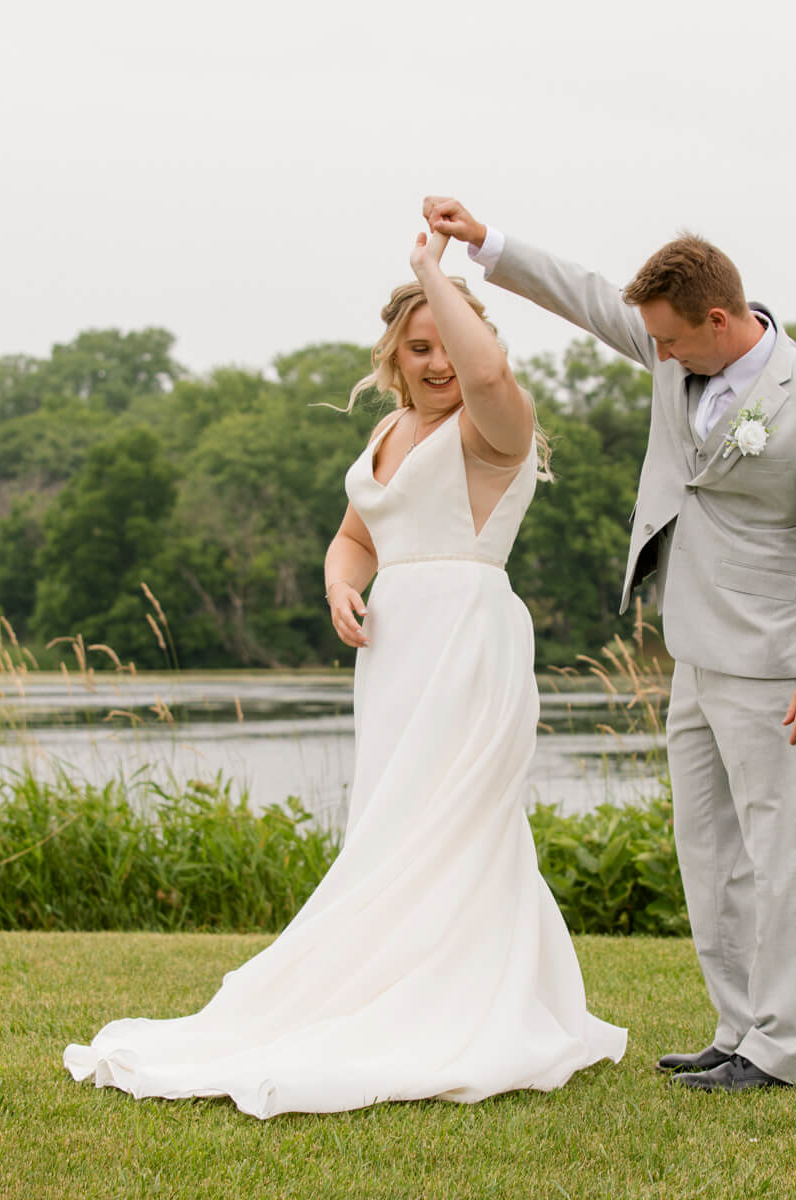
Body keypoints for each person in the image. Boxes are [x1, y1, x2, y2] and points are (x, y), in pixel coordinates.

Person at [62, 229, 627, 1119]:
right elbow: (358, 535)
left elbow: (486, 376)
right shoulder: (389, 429)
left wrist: (432, 274)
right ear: (395, 359)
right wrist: (338, 586)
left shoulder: (494, 421)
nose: (439, 362)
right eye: (419, 348)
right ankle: (387, 978)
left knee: (457, 818)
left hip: (468, 641)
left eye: (448, 340)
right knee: (392, 820)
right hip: (395, 653)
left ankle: (465, 995)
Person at [424, 196, 796, 1093]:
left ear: (719, 320)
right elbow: (591, 299)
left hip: (774, 662)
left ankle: (783, 1049)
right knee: (708, 849)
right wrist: (489, 245)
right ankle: (737, 1027)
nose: (658, 356)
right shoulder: (677, 356)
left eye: (671, 342)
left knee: (779, 856)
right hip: (693, 652)